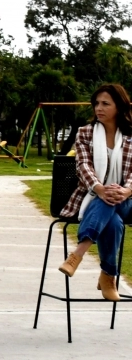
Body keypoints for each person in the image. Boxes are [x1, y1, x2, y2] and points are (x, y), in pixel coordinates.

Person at [57, 84, 132, 300]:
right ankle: (108, 276)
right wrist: (100, 188)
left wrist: (126, 191)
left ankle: (77, 254)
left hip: (128, 200)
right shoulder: (85, 133)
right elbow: (83, 166)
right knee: (113, 220)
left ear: (119, 106)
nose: (99, 108)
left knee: (112, 198)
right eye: (96, 103)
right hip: (93, 196)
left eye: (105, 104)